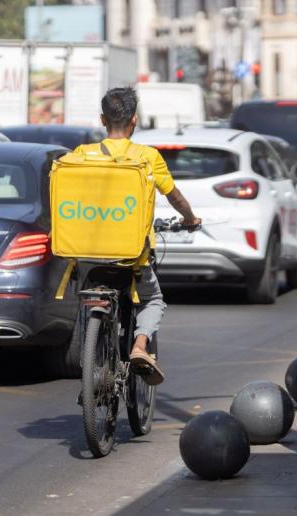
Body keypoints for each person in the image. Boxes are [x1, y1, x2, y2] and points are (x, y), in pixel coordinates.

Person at [71, 87, 202, 385]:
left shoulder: (81, 155)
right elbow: (174, 196)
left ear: (103, 119)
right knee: (152, 300)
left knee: (85, 295)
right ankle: (141, 346)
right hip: (133, 254)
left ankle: (90, 351)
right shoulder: (146, 157)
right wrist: (190, 218)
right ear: (134, 120)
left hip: (87, 251)